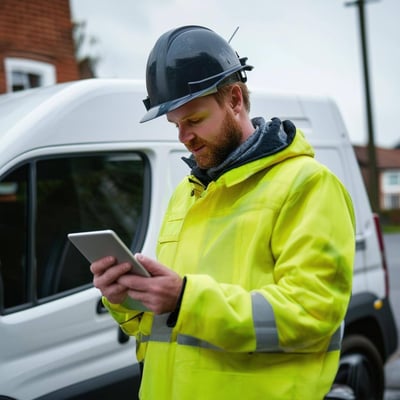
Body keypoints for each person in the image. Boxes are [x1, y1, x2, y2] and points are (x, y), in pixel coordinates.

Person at [91, 25, 355, 399]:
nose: (184, 136)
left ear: (234, 99)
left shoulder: (307, 185)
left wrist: (185, 299)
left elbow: (312, 315)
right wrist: (127, 296)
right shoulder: (188, 193)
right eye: (176, 125)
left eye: (194, 120)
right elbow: (162, 326)